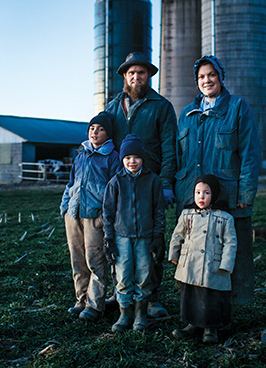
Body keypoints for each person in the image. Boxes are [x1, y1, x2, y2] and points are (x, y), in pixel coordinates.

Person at [175, 55, 260, 305]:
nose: (206, 80)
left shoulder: (237, 108)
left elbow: (250, 154)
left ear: (221, 77)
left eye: (211, 74)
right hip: (193, 198)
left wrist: (245, 195)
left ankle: (228, 310)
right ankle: (193, 312)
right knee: (194, 256)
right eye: (201, 77)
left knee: (228, 255)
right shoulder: (188, 114)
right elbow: (180, 157)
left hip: (227, 198)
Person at [105, 52, 177, 317]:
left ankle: (152, 297)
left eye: (142, 73)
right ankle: (120, 292)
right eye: (131, 73)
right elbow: (103, 141)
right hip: (121, 184)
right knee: (119, 239)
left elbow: (170, 146)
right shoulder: (113, 106)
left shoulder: (161, 106)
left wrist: (166, 182)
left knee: (150, 240)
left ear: (149, 76)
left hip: (151, 182)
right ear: (125, 76)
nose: (136, 77)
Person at [60, 111, 122, 322]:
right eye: (92, 128)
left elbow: (114, 189)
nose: (95, 132)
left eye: (101, 129)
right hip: (74, 214)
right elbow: (70, 184)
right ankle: (81, 298)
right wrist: (65, 207)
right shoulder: (81, 155)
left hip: (95, 217)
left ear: (108, 134)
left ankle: (95, 305)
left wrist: (105, 216)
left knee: (95, 259)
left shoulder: (112, 158)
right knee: (77, 259)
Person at [102, 134, 166, 332]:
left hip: (145, 237)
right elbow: (108, 212)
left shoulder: (153, 181)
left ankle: (140, 314)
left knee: (145, 274)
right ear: (122, 159)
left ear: (143, 158)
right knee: (123, 275)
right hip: (122, 237)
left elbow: (159, 211)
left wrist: (158, 237)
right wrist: (109, 238)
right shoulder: (116, 182)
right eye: (127, 157)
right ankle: (125, 313)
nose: (132, 161)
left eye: (136, 157)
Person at [169, 175, 237, 344]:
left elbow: (231, 243)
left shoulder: (225, 218)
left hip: (212, 266)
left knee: (210, 296)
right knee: (191, 294)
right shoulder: (187, 214)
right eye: (198, 192)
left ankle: (210, 328)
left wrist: (226, 264)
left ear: (214, 194)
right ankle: (192, 324)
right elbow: (177, 236)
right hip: (190, 263)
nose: (201, 196)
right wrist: (174, 255)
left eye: (206, 193)